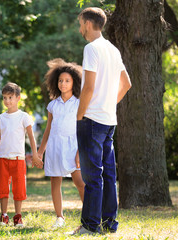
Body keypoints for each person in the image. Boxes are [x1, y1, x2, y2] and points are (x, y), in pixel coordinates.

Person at [70, 7, 132, 235]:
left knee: (92, 176)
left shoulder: (91, 48)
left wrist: (80, 115)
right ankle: (109, 224)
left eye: (80, 24)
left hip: (91, 119)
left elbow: (88, 87)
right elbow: (126, 84)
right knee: (108, 174)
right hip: (108, 120)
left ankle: (90, 225)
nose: (80, 29)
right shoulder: (113, 50)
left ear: (87, 23)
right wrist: (108, 104)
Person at [0, 82, 42, 227]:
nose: (7, 101)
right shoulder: (1, 118)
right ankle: (4, 216)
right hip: (2, 158)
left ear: (18, 98)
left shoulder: (24, 116)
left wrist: (35, 154)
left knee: (19, 189)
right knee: (3, 188)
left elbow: (31, 137)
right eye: (4, 98)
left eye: (10, 97)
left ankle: (18, 217)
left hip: (18, 159)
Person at [37, 58, 85, 229]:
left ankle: (89, 216)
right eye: (60, 80)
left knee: (80, 182)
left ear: (74, 82)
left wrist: (80, 151)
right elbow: (48, 130)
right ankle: (60, 218)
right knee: (55, 182)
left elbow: (82, 129)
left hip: (73, 147)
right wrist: (40, 152)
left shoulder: (80, 103)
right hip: (55, 148)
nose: (63, 84)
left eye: (67, 81)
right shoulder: (52, 105)